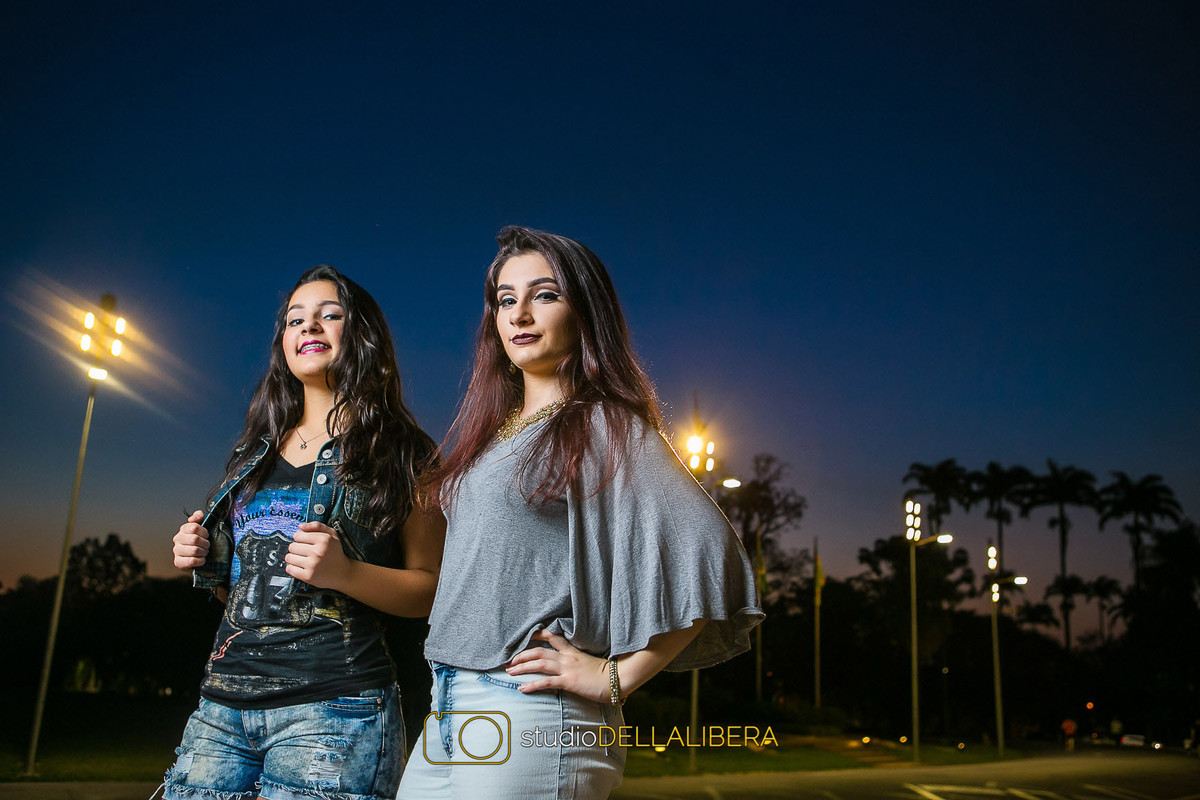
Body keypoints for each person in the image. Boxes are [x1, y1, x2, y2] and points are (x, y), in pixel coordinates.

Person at [397, 226, 763, 799]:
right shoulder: (491, 435)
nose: (520, 313)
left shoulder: (601, 423)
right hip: (448, 707)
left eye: (544, 294)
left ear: (585, 310)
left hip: (533, 714)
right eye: (505, 299)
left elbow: (712, 552)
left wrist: (616, 676)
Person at [164, 266, 445, 800]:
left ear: (361, 335)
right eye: (295, 320)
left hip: (335, 709)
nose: (308, 327)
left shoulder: (405, 452)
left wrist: (347, 572)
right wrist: (203, 560)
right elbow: (240, 591)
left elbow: (431, 589)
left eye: (329, 315)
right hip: (221, 708)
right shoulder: (254, 454)